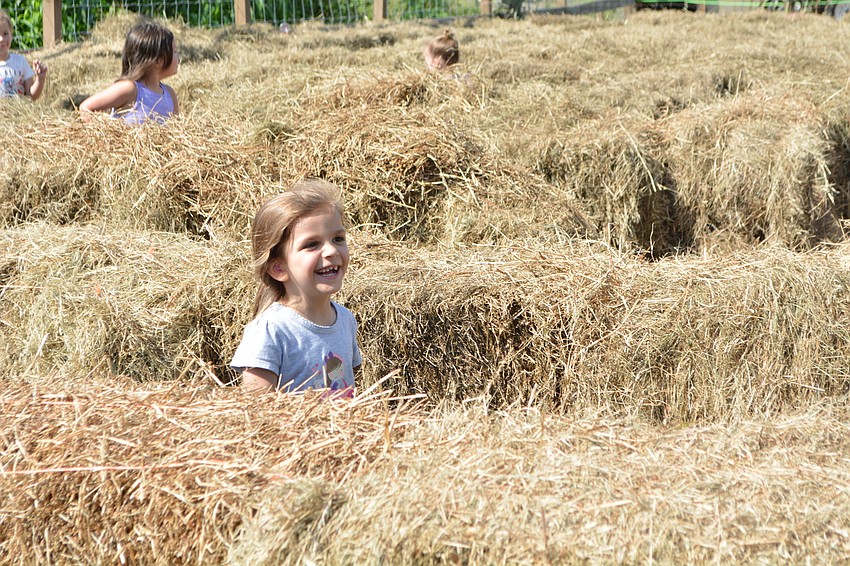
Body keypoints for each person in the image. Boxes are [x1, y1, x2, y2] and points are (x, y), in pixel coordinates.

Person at [231, 179, 361, 395]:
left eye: (338, 238)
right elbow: (255, 411)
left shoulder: (345, 320)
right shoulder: (271, 331)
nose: (331, 251)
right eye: (312, 244)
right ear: (279, 268)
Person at [79, 20, 179, 124]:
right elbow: (86, 108)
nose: (179, 57)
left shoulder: (170, 95)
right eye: (175, 51)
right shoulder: (130, 89)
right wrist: (101, 138)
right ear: (158, 60)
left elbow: (178, 133)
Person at [0, 10, 48, 100]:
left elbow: (31, 96)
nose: (2, 39)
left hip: (20, 112)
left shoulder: (20, 61)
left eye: (5, 34)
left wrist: (40, 79)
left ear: (11, 34)